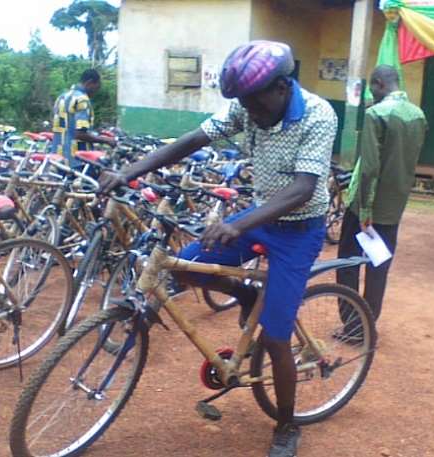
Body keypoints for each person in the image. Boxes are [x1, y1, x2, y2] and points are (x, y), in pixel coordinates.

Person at [99, 41, 337, 457]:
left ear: (282, 86)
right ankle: (247, 293)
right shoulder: (248, 107)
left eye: (255, 101)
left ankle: (285, 425)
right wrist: (130, 171)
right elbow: (193, 139)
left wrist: (237, 224)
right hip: (260, 215)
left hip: (299, 231)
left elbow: (303, 189)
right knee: (182, 267)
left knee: (277, 338)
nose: (250, 111)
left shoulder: (318, 114)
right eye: (243, 103)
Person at [336, 65, 427, 325]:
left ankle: (351, 324)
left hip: (367, 207)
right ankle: (367, 323)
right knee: (379, 266)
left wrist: (364, 212)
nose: (371, 95)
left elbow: (370, 168)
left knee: (347, 264)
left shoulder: (376, 113)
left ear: (378, 84)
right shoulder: (418, 115)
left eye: (372, 89)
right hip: (394, 205)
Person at [50, 69, 116, 165]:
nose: (96, 91)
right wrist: (105, 140)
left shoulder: (61, 97)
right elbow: (80, 134)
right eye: (96, 87)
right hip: (76, 159)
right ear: (89, 83)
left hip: (57, 157)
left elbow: (66, 125)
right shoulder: (82, 100)